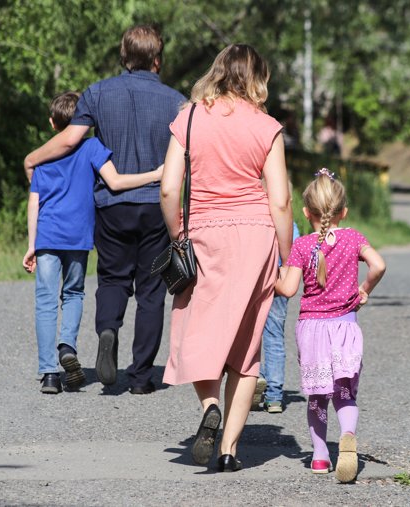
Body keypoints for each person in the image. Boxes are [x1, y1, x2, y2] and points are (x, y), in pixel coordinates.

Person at [24, 25, 185, 395]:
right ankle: (142, 377)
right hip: (156, 204)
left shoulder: (97, 93)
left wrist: (32, 157)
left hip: (112, 207)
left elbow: (70, 139)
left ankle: (108, 329)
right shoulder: (177, 102)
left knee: (112, 279)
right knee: (150, 293)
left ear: (123, 57)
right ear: (157, 60)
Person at [160, 44, 293, 472]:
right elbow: (282, 200)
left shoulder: (191, 117)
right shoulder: (267, 127)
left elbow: (167, 188)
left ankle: (209, 406)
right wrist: (289, 261)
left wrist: (179, 233)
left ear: (217, 71)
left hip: (205, 232)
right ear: (257, 78)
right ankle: (229, 451)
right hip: (256, 237)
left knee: (196, 330)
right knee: (246, 346)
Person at [275, 168, 386, 482]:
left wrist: (271, 277)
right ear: (344, 211)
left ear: (306, 211)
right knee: (344, 393)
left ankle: (321, 457)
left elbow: (288, 289)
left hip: (312, 330)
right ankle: (347, 433)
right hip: (345, 328)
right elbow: (379, 265)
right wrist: (364, 289)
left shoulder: (302, 246)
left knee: (317, 396)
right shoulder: (353, 238)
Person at [255, 217, 300, 413]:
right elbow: (296, 251)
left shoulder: (253, 217)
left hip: (253, 272)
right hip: (281, 274)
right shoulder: (289, 223)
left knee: (247, 333)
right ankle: (274, 397)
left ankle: (255, 375)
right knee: (274, 335)